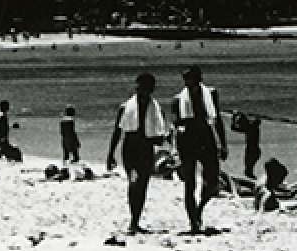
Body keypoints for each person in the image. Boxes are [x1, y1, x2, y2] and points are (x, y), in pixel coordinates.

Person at [106, 73, 167, 234]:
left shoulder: (156, 108)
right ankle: (133, 221)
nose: (143, 91)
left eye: (146, 88)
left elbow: (159, 134)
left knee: (142, 185)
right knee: (134, 182)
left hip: (146, 149)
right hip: (130, 148)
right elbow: (117, 132)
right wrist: (110, 153)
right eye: (140, 88)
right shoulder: (125, 107)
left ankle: (135, 221)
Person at [171, 67, 226, 234]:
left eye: (191, 79)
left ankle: (200, 209)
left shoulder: (211, 94)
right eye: (186, 80)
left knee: (212, 179)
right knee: (190, 183)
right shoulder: (178, 99)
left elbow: (217, 119)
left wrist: (223, 143)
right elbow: (176, 125)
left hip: (206, 137)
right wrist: (175, 149)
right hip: (187, 140)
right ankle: (193, 220)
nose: (189, 83)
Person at [230, 110, 261, 181]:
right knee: (250, 164)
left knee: (249, 164)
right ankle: (249, 173)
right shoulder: (251, 127)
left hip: (251, 149)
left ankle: (249, 173)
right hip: (254, 149)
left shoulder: (249, 128)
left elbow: (234, 127)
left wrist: (234, 117)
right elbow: (257, 121)